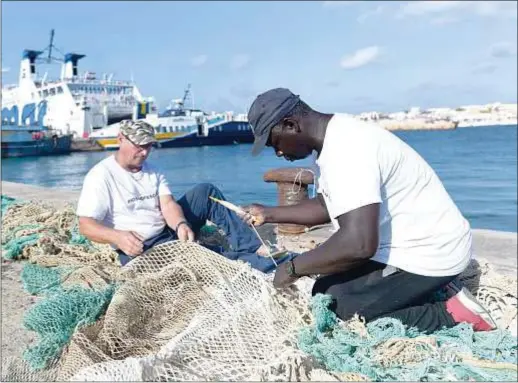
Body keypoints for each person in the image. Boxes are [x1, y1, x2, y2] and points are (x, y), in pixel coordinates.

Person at [242, 88, 497, 333]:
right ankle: (425, 288)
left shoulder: (347, 150)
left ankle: (452, 313)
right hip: (405, 246)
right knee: (325, 290)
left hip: (433, 252)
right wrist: (269, 213)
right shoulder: (331, 137)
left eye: (275, 143)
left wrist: (292, 268)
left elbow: (359, 245)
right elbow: (325, 205)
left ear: (291, 125)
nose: (278, 152)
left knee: (342, 310)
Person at [76, 119, 288, 273]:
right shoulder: (100, 176)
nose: (144, 152)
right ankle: (272, 265)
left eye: (148, 145)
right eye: (139, 145)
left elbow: (167, 204)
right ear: (120, 139)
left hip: (167, 230)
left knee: (206, 192)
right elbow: (86, 225)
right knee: (210, 258)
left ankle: (253, 246)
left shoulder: (153, 169)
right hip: (141, 248)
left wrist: (180, 224)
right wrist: (118, 237)